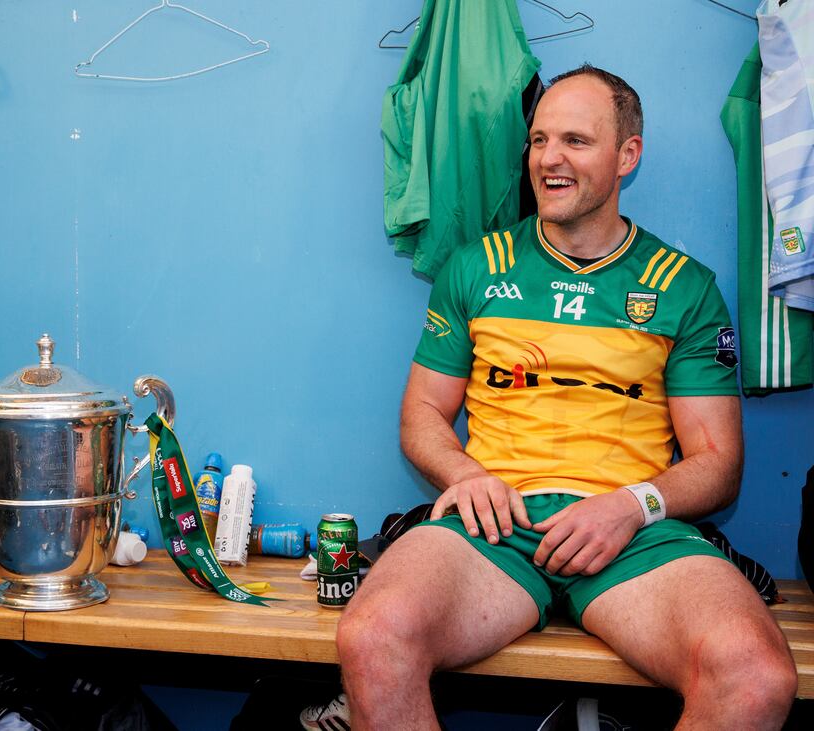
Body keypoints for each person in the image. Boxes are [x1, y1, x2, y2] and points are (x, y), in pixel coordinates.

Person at [335, 66, 798, 730]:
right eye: (539, 139)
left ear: (626, 156)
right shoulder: (475, 267)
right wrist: (465, 475)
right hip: (493, 529)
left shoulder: (683, 287)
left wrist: (629, 507)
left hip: (631, 534)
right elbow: (423, 414)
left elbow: (719, 462)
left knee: (756, 674)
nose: (548, 158)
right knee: (372, 634)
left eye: (575, 141)